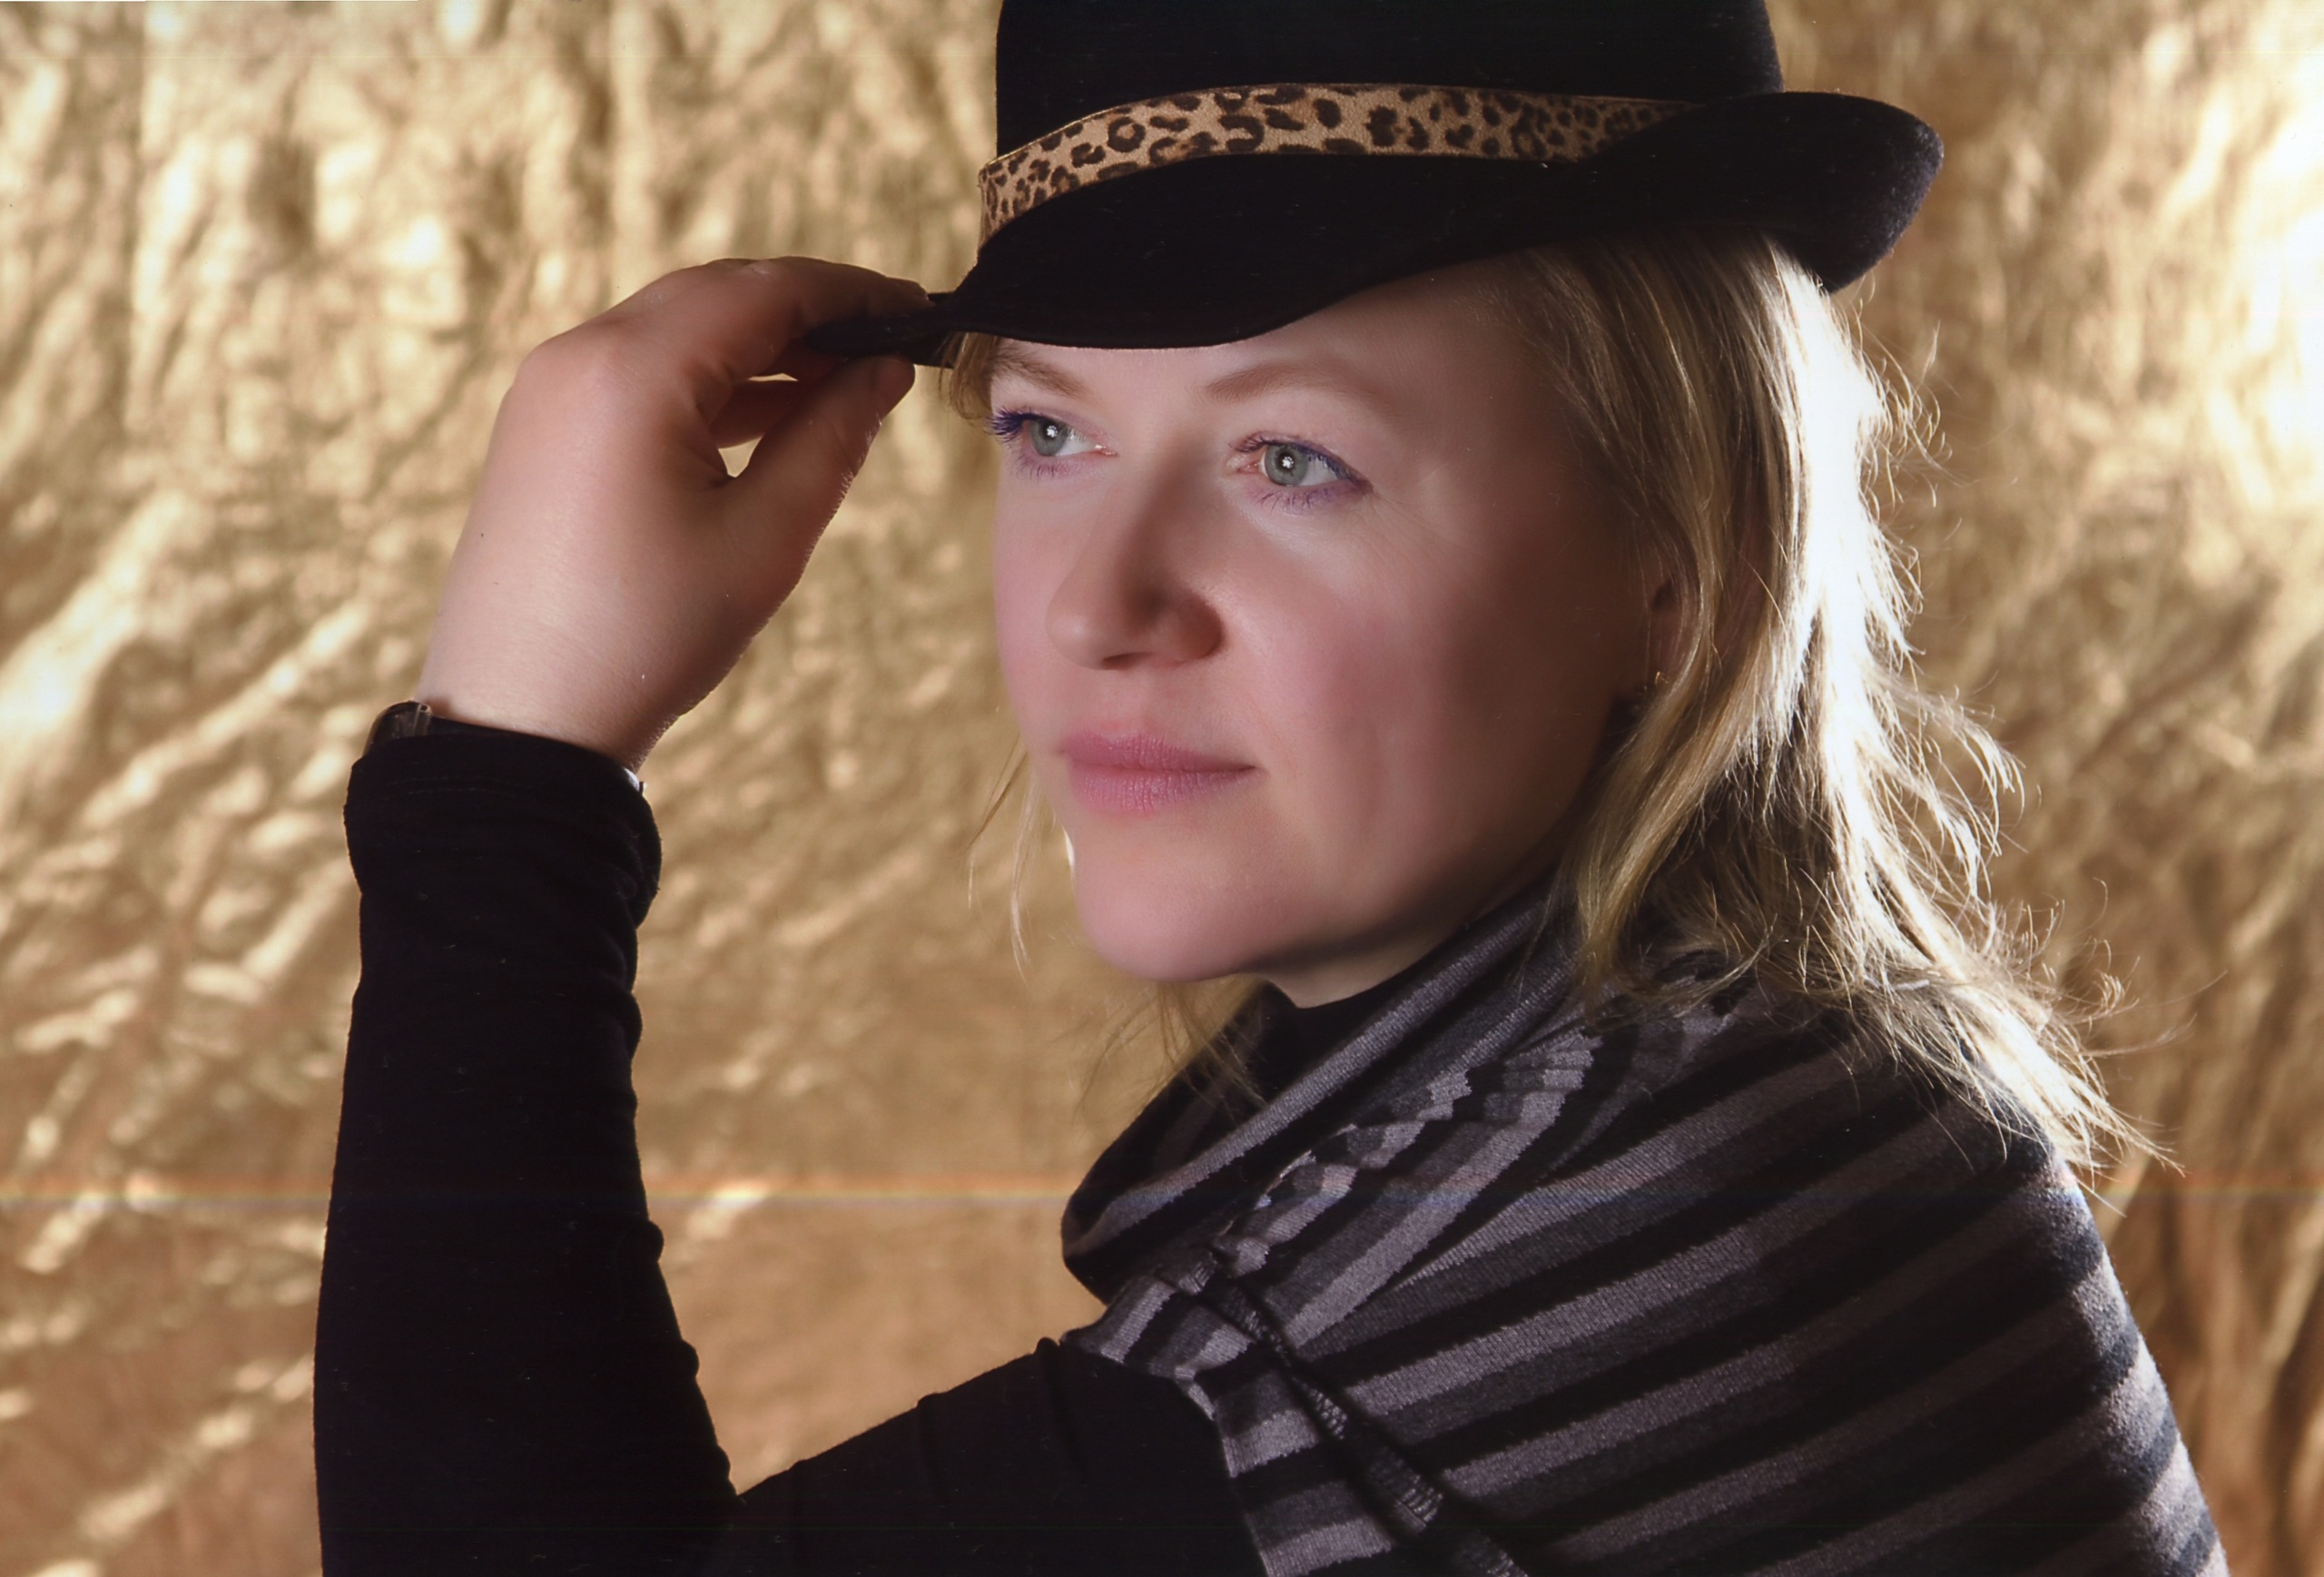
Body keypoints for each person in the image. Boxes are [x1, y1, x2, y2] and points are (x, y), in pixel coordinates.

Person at [313, 2, 2226, 1573]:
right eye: (1049, 429)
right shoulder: (1713, 1080)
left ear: (1687, 564)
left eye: (1293, 459)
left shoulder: (1601, 1223)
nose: (1099, 605)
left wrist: (510, 771)